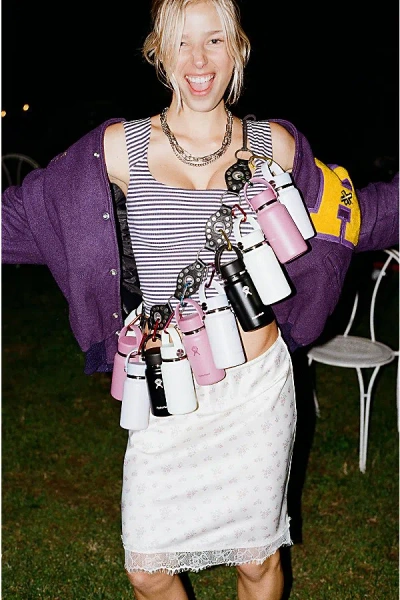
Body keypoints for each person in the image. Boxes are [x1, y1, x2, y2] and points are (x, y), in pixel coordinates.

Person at [2, 0, 398, 598]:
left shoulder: (274, 146)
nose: (198, 60)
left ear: (238, 49)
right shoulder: (118, 148)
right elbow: (23, 219)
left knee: (258, 562)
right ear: (158, 54)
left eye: (214, 41)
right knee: (147, 569)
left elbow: (354, 217)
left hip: (256, 389)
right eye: (181, 43)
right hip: (167, 388)